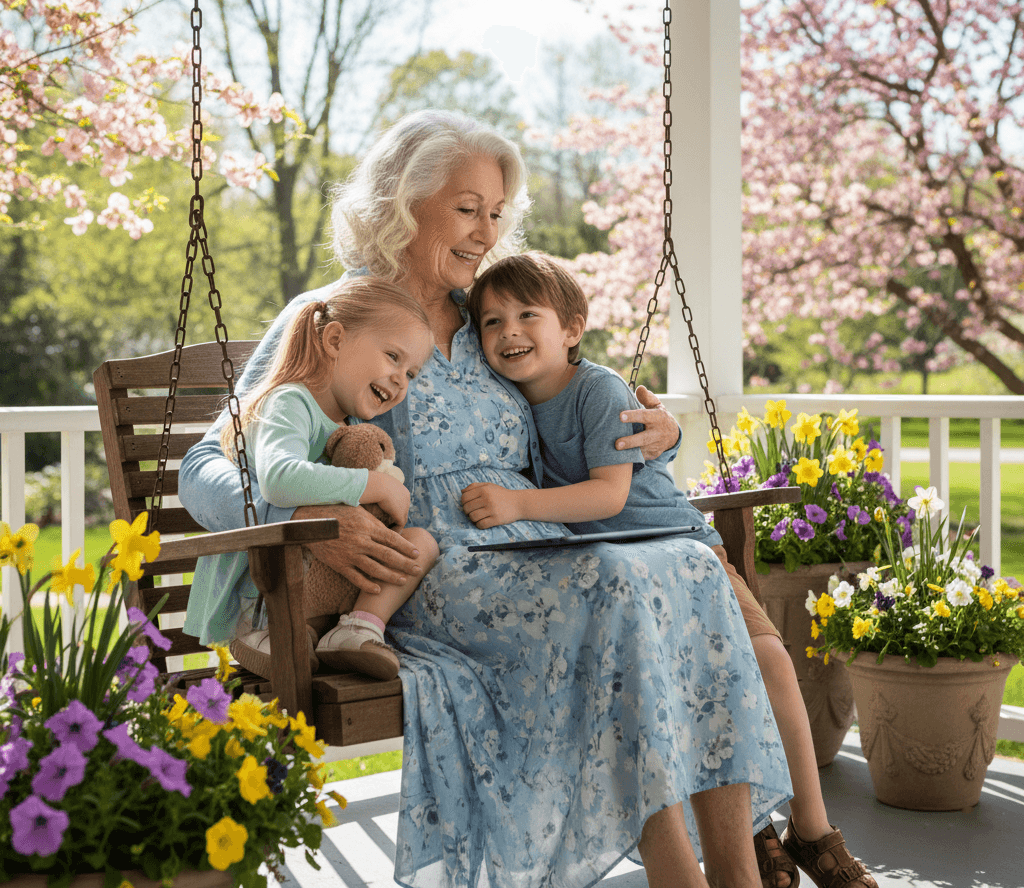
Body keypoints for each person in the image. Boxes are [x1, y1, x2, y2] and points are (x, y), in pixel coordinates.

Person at [179, 109, 792, 888]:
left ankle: (735, 877)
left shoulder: (489, 317)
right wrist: (301, 517)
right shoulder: (338, 317)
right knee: (616, 587)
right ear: (403, 200)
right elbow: (204, 465)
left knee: (689, 572)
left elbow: (582, 408)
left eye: (496, 213)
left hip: (535, 550)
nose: (484, 231)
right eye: (467, 208)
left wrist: (659, 435)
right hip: (434, 572)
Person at [463, 251, 879, 888]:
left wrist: (517, 504)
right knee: (679, 694)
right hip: (627, 579)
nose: (509, 332)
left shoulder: (595, 390)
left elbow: (608, 496)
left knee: (766, 662)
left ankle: (812, 827)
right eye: (491, 323)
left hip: (685, 553)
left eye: (527, 315)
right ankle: (753, 829)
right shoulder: (508, 405)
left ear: (572, 327)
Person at [213, 277, 439, 681]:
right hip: (266, 582)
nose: (401, 380)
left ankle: (357, 628)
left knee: (420, 544)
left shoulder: (344, 425)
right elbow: (279, 479)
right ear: (335, 339)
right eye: (392, 357)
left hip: (325, 577)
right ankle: (274, 634)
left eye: (412, 373)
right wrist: (376, 486)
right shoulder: (289, 402)